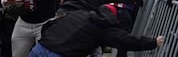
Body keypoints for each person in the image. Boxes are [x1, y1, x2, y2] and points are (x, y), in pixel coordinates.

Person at [28, 4, 164, 57]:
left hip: (40, 48)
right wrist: (153, 42)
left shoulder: (78, 13)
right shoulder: (104, 27)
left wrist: (47, 40)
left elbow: (49, 25)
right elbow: (126, 40)